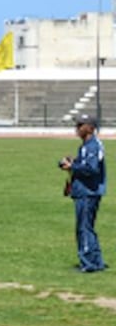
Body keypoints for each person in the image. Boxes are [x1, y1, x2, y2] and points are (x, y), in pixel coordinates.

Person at [60, 114, 106, 273]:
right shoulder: (86, 145)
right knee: (88, 227)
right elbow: (84, 164)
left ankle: (88, 264)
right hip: (85, 191)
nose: (77, 128)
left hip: (88, 192)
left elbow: (92, 169)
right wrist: (72, 162)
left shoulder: (92, 146)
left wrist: (72, 167)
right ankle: (97, 261)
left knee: (84, 228)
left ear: (90, 128)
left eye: (80, 125)